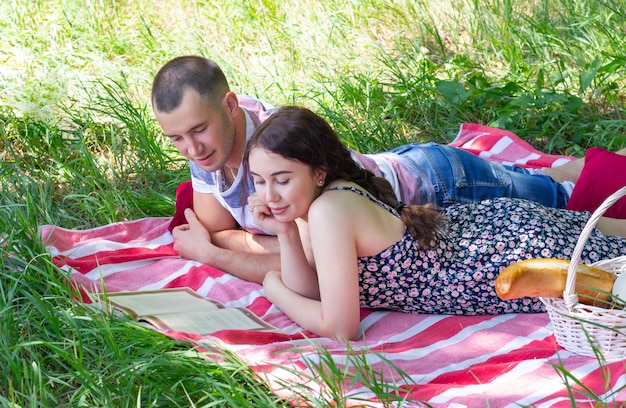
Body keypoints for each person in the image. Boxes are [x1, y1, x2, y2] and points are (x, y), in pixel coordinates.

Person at [150, 55, 608, 284]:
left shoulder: (275, 148)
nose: (192, 149)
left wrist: (224, 252)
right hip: (399, 184)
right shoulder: (208, 149)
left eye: (198, 131)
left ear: (230, 106)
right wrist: (261, 242)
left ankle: (564, 169)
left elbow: (304, 268)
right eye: (176, 139)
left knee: (567, 206)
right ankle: (550, 170)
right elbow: (212, 226)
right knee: (541, 191)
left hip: (438, 185)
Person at [244, 106, 626, 341]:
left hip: (503, 255)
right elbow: (313, 290)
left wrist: (271, 286)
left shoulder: (329, 211)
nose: (270, 194)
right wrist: (286, 232)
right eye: (260, 181)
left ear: (319, 171)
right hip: (494, 231)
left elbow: (341, 328)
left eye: (282, 179)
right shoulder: (322, 202)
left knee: (615, 276)